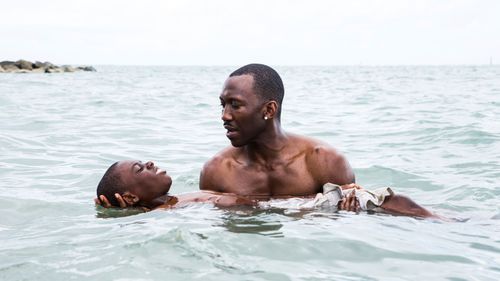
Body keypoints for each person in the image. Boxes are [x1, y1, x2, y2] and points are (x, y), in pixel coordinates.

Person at [200, 63, 355, 197]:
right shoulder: (216, 171)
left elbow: (348, 225)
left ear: (269, 110)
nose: (225, 116)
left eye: (235, 105)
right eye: (223, 105)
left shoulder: (325, 162)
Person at [95, 160, 256, 210]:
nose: (149, 163)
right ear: (130, 197)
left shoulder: (173, 202)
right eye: (139, 169)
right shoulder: (166, 211)